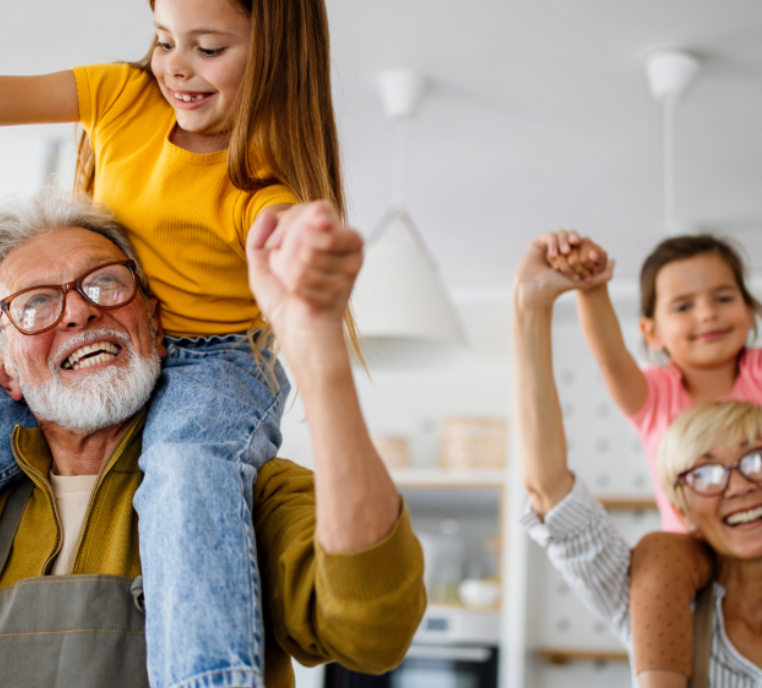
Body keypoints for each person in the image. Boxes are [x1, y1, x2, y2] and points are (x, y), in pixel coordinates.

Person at [0, 1, 358, 685]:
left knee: (187, 475)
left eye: (209, 49)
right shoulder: (120, 95)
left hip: (218, 362)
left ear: (275, 55)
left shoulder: (259, 180)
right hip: (137, 332)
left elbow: (286, 233)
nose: (176, 68)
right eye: (164, 41)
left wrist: (306, 253)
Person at [0, 188, 426, 688]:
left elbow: (373, 631)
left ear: (156, 327)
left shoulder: (238, 488)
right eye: (35, 303)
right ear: (6, 372)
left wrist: (320, 354)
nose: (79, 312)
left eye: (106, 283)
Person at [512, 235, 762, 688]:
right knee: (661, 557)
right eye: (684, 306)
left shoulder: (758, 372)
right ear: (652, 331)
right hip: (687, 548)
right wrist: (591, 287)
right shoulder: (657, 395)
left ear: (750, 309)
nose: (707, 313)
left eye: (723, 298)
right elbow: (610, 359)